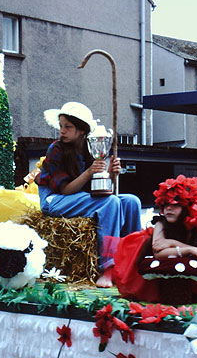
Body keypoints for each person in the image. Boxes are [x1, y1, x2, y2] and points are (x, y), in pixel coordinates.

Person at [36, 101, 141, 287]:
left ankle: (134, 260)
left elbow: (97, 190)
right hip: (55, 200)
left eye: (68, 127)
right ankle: (108, 266)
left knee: (132, 201)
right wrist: (89, 172)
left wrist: (110, 174)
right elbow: (65, 190)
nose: (62, 131)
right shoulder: (56, 149)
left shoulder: (91, 148)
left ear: (82, 130)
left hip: (80, 197)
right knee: (110, 203)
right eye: (61, 126)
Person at [113, 175, 197, 302]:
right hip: (153, 263)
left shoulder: (196, 226)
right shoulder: (161, 223)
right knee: (143, 240)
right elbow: (158, 252)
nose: (168, 208)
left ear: (187, 207)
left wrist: (170, 244)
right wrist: (188, 249)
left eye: (175, 205)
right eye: (166, 204)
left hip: (184, 270)